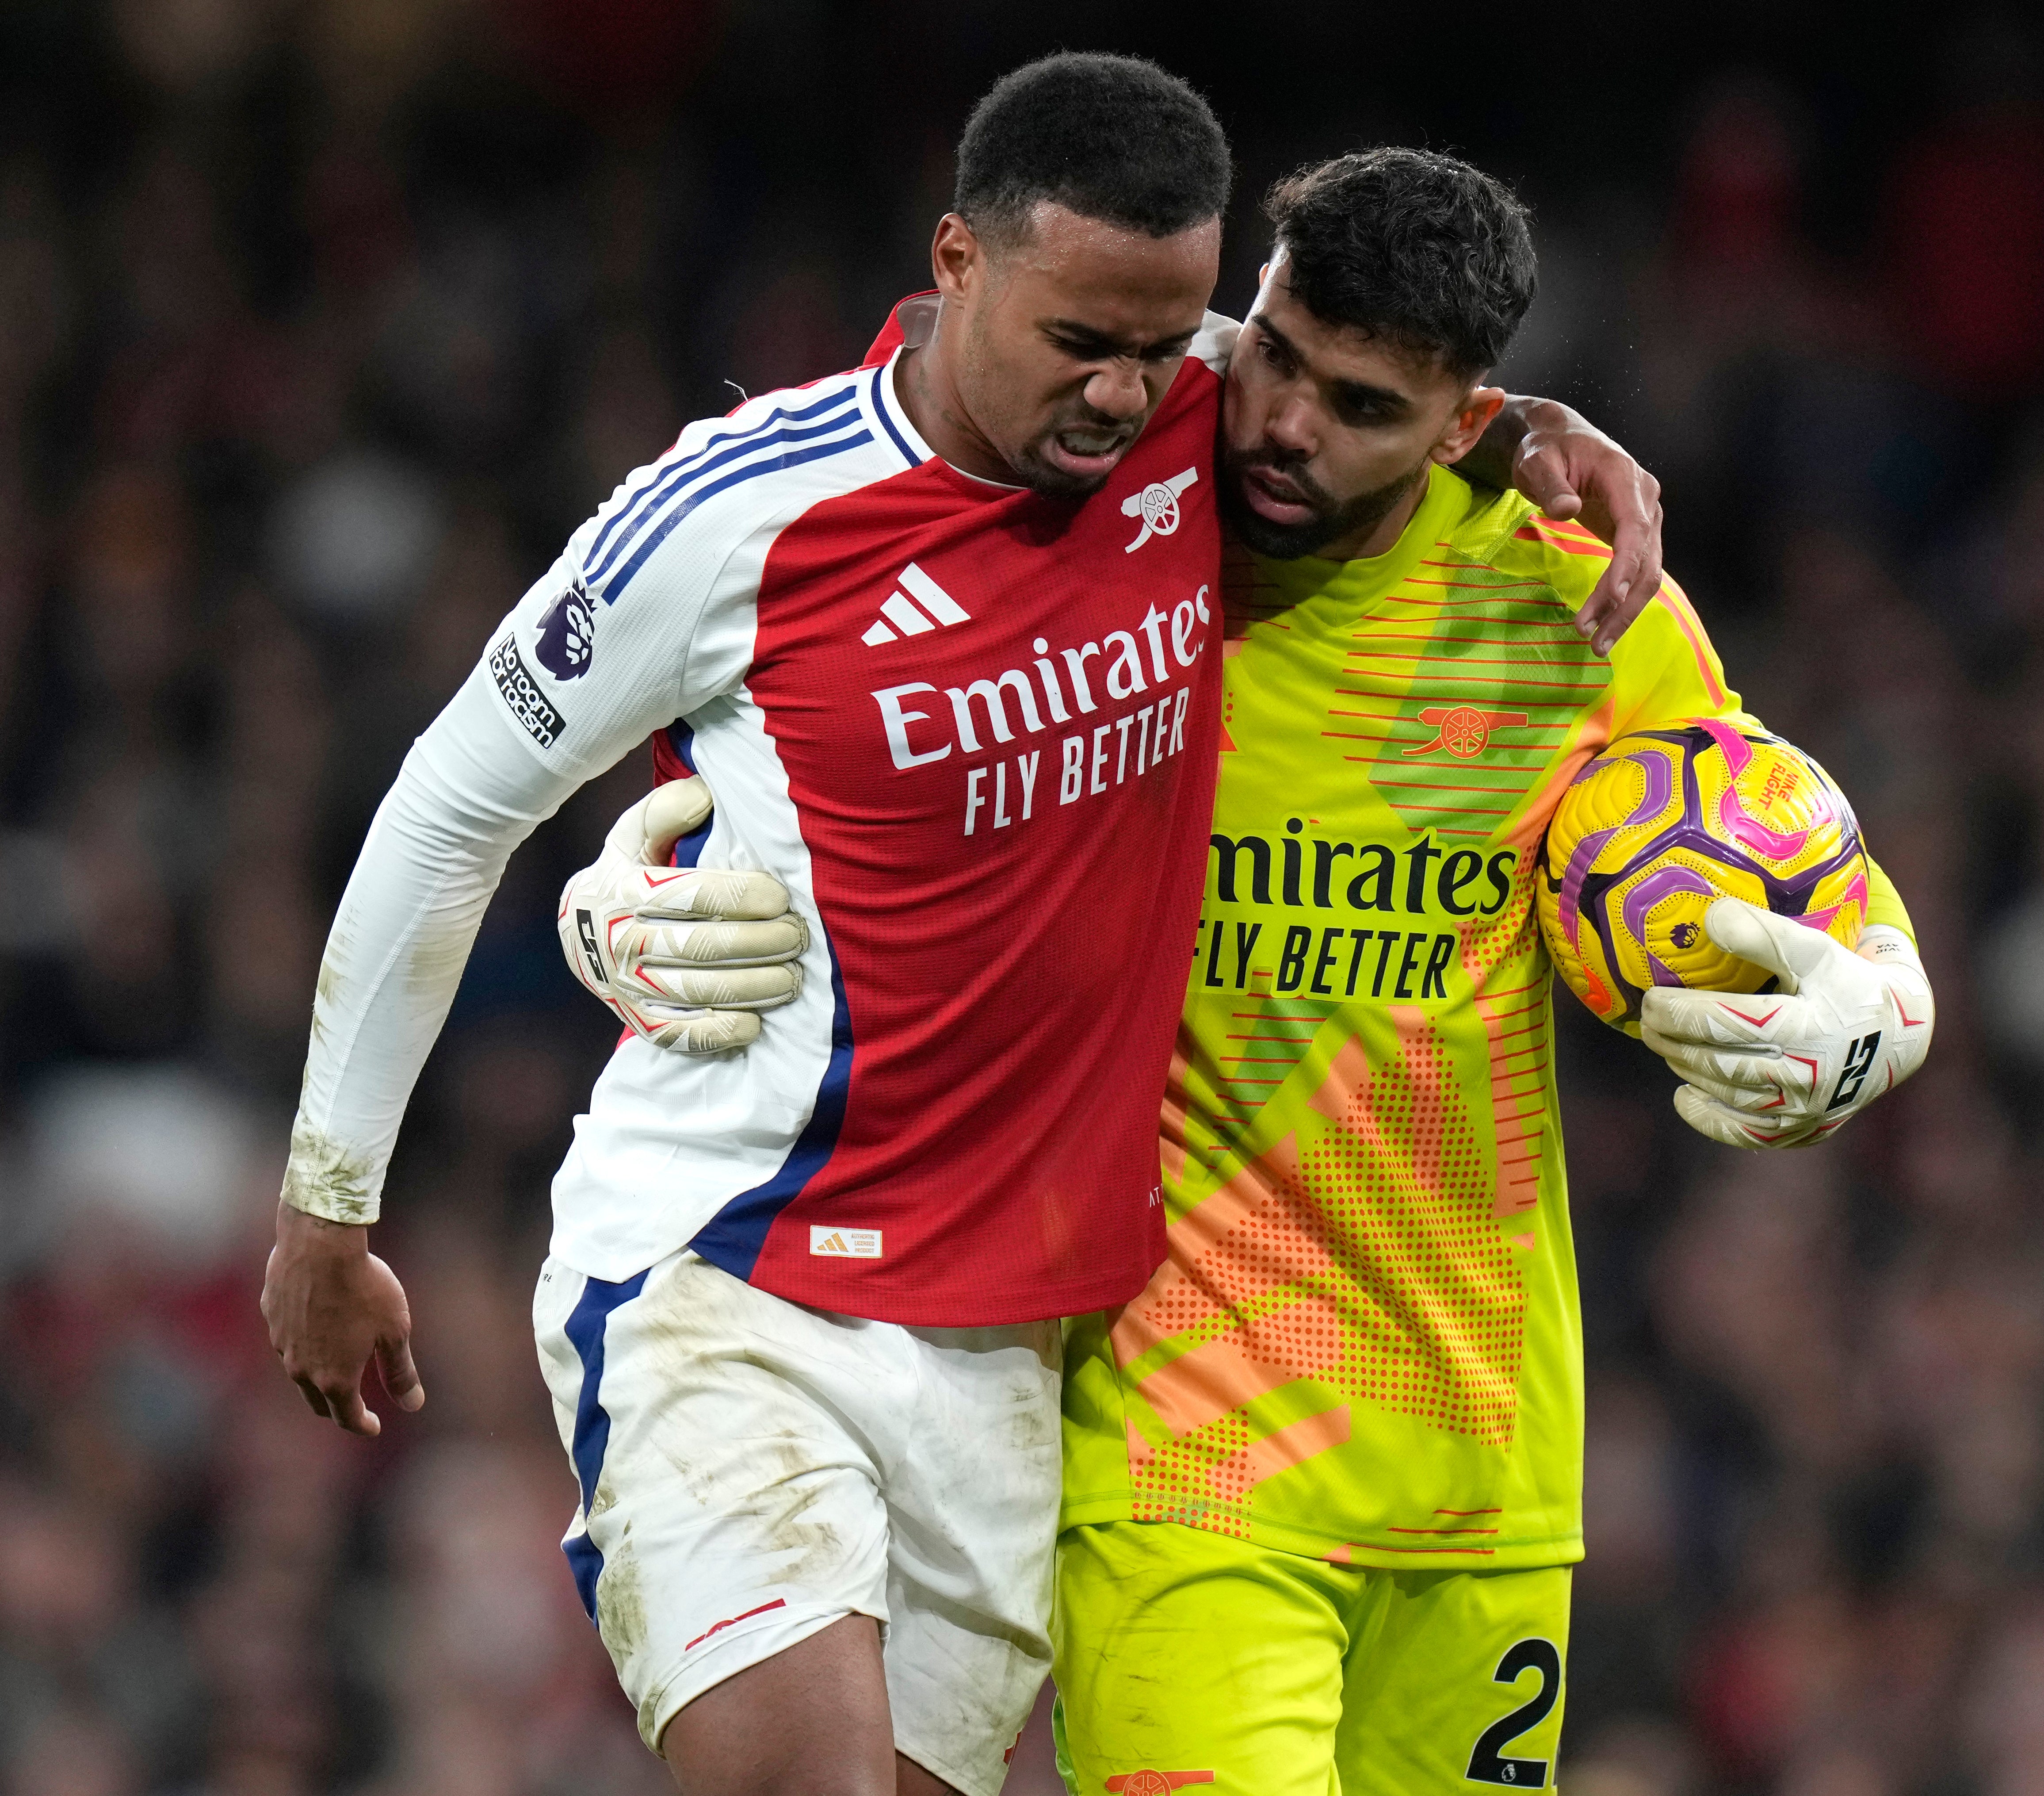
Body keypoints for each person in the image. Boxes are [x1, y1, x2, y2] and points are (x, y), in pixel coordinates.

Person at [258, 54, 1664, 1796]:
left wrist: (1526, 427)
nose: (1127, 389)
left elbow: (1356, 387)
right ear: (956, 261)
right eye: (1080, 338)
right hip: (738, 1263)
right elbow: (456, 798)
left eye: (1165, 343)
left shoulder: (1196, 425)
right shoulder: (735, 517)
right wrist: (329, 1199)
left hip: (1007, 1352)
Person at [576, 146, 1933, 1796]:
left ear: (1458, 418)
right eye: (1274, 355)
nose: (1282, 424)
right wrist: (643, 871)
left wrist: (1883, 998)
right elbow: (808, 657)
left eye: (1360, 406)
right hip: (1178, 1446)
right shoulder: (1104, 551)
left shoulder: (1568, 601)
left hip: (1480, 1452)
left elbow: (1757, 823)